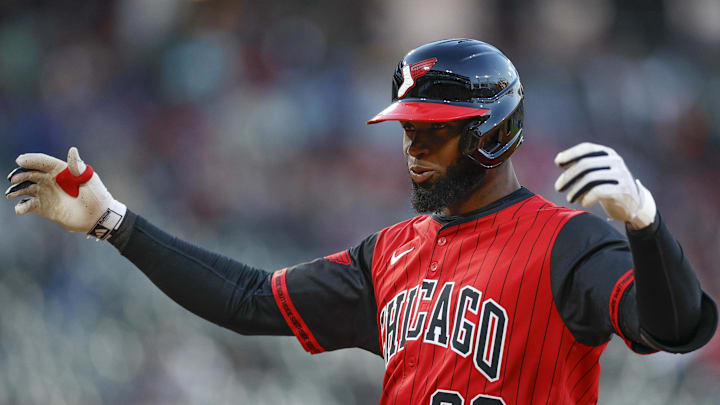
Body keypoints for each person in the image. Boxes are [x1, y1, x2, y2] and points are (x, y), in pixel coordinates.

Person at [5, 39, 717, 405]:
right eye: (407, 129)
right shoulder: (392, 253)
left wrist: (646, 225)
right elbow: (248, 300)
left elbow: (675, 325)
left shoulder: (568, 240)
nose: (411, 148)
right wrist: (112, 220)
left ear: (491, 136)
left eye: (431, 132)